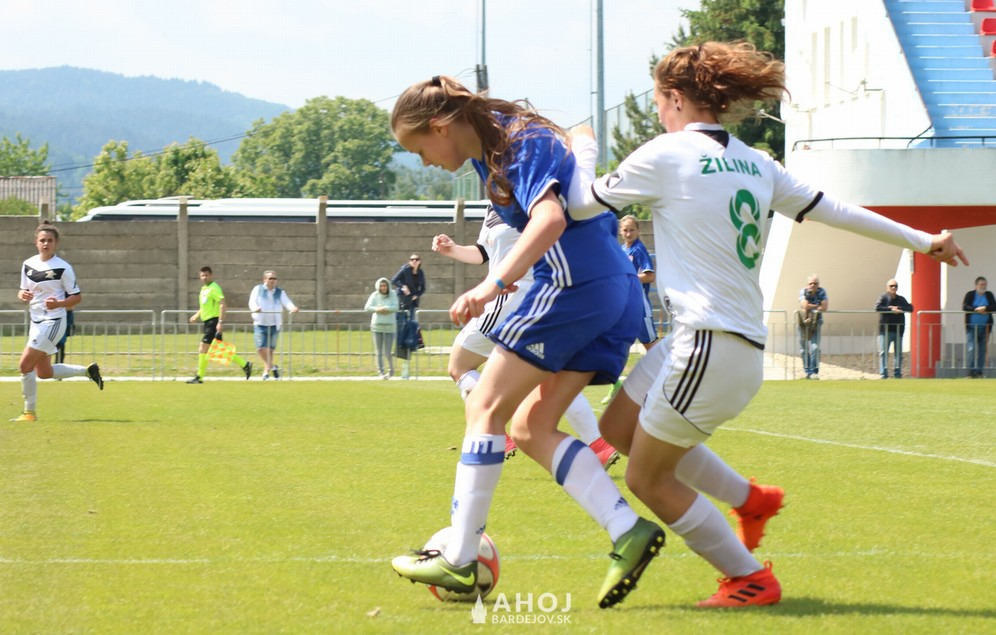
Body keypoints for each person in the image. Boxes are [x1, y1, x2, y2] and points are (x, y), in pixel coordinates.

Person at [566, 41, 966, 607]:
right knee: (617, 429)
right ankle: (752, 501)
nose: (657, 112)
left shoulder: (666, 153)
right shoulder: (755, 161)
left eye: (657, 101)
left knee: (646, 479)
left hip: (707, 345)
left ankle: (749, 578)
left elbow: (580, 205)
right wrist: (924, 240)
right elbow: (838, 211)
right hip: (713, 343)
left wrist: (582, 147)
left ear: (676, 98)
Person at [389, 75, 665, 609]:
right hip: (608, 290)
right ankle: (627, 530)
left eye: (418, 149)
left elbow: (551, 218)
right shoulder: (493, 150)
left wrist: (491, 284)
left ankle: (460, 557)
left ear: (440, 126)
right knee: (530, 426)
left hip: (572, 287)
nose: (424, 162)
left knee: (485, 407)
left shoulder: (514, 141)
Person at [432, 202, 620, 467]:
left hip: (512, 297)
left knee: (459, 365)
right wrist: (452, 249)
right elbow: (484, 253)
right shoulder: (495, 204)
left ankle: (491, 429)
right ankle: (597, 444)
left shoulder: (531, 196)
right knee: (551, 375)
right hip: (538, 300)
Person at [10, 222, 103, 422]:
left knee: (24, 365)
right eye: (42, 240)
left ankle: (29, 413)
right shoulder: (28, 264)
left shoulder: (63, 267)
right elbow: (22, 290)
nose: (46, 243)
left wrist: (59, 303)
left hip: (53, 322)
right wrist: (22, 295)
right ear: (36, 242)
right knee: (44, 372)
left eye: (50, 240)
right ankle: (87, 371)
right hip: (35, 321)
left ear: (56, 243)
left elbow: (77, 297)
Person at [601, 214, 659, 405]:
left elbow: (649, 276)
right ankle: (616, 384)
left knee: (651, 346)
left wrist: (628, 277)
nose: (628, 233)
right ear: (620, 231)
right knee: (619, 345)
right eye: (625, 230)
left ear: (638, 231)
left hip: (639, 306)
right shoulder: (622, 249)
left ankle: (667, 381)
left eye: (632, 230)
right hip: (624, 306)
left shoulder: (638, 249)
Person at [186, 266, 252, 383]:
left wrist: (220, 322)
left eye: (206, 275)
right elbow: (204, 306)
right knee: (218, 350)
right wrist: (196, 315)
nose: (204, 277)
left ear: (211, 275)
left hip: (213, 321)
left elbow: (222, 304)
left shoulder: (214, 288)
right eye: (202, 275)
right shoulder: (204, 289)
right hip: (207, 322)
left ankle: (199, 377)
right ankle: (245, 364)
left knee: (203, 348)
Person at [248, 269, 299, 380]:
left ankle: (266, 372)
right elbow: (252, 301)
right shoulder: (258, 289)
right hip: (260, 323)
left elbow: (287, 302)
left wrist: (292, 308)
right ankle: (273, 366)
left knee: (270, 350)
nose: (272, 280)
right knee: (261, 348)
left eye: (274, 278)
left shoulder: (280, 292)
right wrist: (255, 308)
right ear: (264, 279)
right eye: (270, 278)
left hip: (274, 324)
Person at [874, 279, 913, 379]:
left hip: (898, 330)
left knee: (898, 354)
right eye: (891, 286)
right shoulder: (883, 298)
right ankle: (883, 374)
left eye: (895, 286)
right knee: (883, 353)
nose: (893, 288)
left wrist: (899, 308)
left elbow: (910, 308)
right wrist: (890, 309)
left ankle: (897, 374)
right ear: (887, 287)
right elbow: (877, 307)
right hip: (885, 330)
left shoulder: (901, 299)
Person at [365, 276, 399, 379]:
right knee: (378, 351)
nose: (383, 288)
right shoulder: (374, 295)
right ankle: (380, 372)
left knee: (388, 351)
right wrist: (377, 309)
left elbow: (396, 307)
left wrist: (386, 308)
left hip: (390, 326)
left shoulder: (393, 294)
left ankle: (391, 371)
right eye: (381, 286)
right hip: (377, 326)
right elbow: (367, 307)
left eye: (385, 286)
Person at [962, 276, 996, 378]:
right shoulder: (970, 294)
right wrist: (977, 309)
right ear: (976, 285)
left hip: (985, 327)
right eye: (981, 284)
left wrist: (985, 308)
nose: (983, 286)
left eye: (984, 284)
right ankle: (970, 372)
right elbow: (965, 306)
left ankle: (979, 372)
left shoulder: (989, 295)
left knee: (982, 350)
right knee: (971, 349)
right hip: (971, 327)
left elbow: (994, 306)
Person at [799, 274, 828, 379]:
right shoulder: (803, 291)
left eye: (815, 283)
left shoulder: (822, 292)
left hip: (817, 322)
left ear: (818, 284)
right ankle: (808, 371)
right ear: (807, 284)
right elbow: (804, 305)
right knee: (804, 349)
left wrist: (811, 307)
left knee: (815, 347)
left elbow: (825, 307)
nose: (813, 285)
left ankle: (814, 371)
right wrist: (817, 306)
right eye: (811, 283)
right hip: (804, 323)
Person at [392, 254, 426, 321]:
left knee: (411, 320)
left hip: (413, 300)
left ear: (420, 261)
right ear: (409, 262)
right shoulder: (405, 270)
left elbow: (423, 288)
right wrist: (403, 286)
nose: (414, 261)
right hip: (403, 298)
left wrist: (417, 295)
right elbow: (394, 280)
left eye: (416, 259)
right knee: (400, 320)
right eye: (412, 259)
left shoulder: (420, 272)